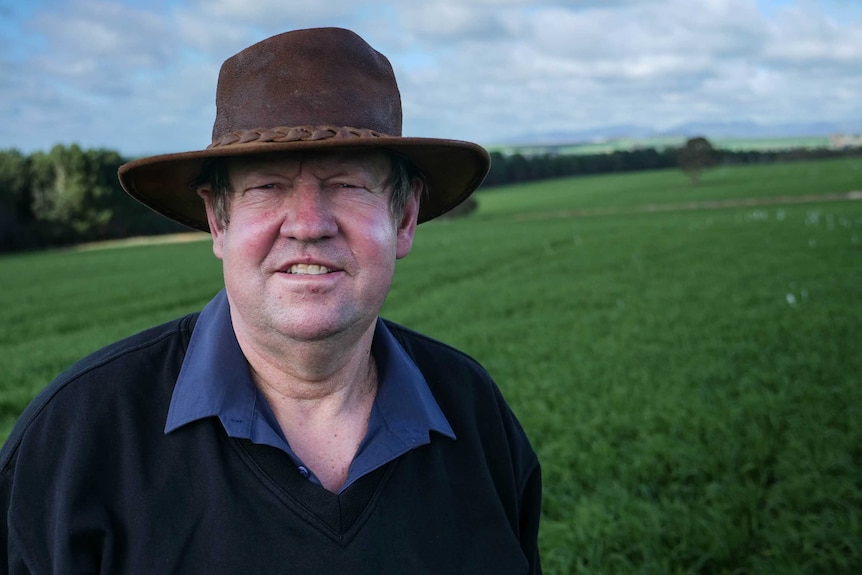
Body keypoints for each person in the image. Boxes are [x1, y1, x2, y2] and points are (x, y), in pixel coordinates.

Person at [0, 27, 541, 573]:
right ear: (218, 220)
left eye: (349, 185)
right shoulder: (73, 439)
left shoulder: (475, 412)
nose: (308, 225)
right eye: (267, 187)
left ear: (402, 219)